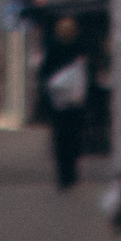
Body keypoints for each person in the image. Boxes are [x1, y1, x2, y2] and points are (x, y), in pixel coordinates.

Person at [40, 17, 90, 190]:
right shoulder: (79, 48)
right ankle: (69, 173)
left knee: (63, 138)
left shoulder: (54, 48)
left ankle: (64, 175)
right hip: (73, 102)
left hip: (59, 101)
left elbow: (45, 72)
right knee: (72, 138)